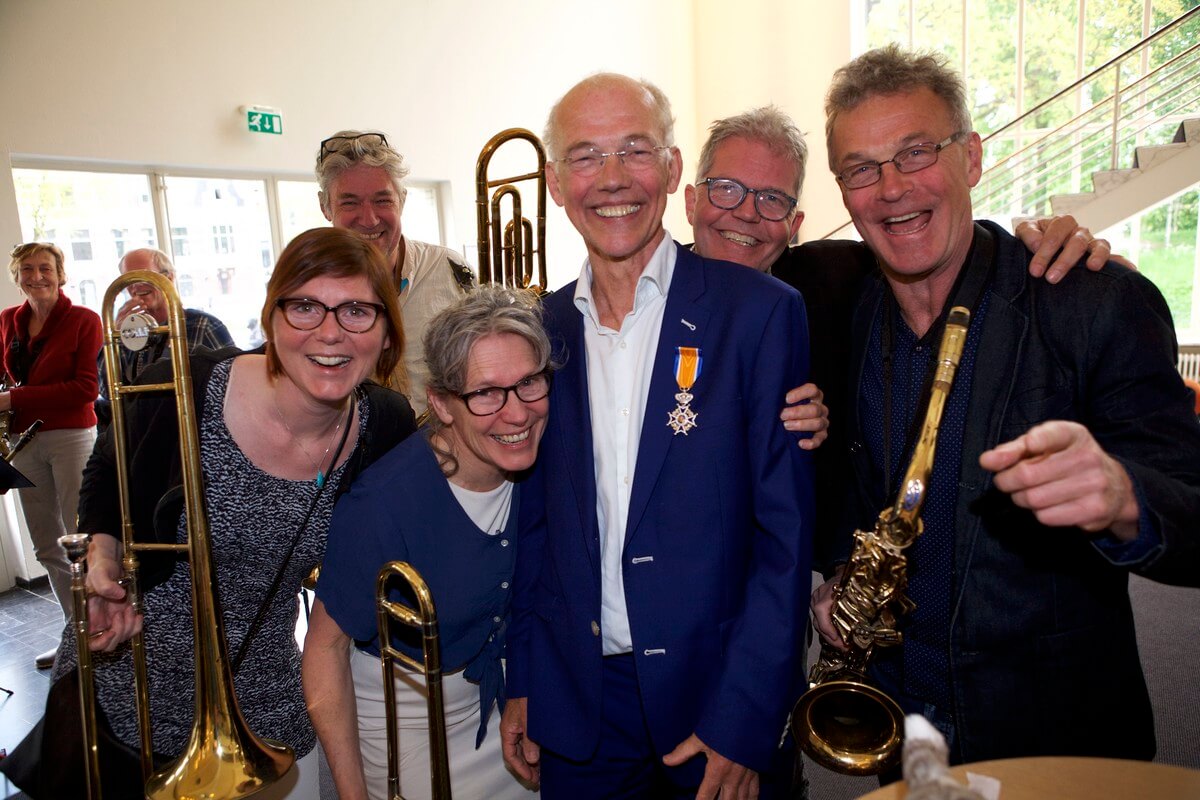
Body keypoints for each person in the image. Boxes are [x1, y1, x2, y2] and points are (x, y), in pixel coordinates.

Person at [810, 45, 1200, 768]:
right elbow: (854, 485)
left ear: (974, 158)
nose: (891, 188)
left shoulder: (1095, 301)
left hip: (1054, 734)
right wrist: (840, 570)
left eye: (916, 152)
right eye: (861, 168)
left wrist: (1124, 498)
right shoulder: (844, 310)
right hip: (905, 726)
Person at [501, 73, 814, 800]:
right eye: (585, 156)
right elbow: (535, 525)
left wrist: (744, 718)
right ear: (555, 182)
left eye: (635, 151)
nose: (612, 180)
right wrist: (527, 677)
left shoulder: (761, 315)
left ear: (673, 171)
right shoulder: (538, 330)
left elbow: (783, 544)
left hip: (714, 698)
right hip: (578, 706)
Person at [38, 227, 417, 800]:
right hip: (127, 687)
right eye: (306, 306)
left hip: (262, 700)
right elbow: (106, 469)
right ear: (272, 317)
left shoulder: (386, 426)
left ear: (387, 330)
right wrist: (103, 556)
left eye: (358, 310)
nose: (331, 331)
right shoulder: (189, 382)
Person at [683, 106, 1127, 570]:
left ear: (794, 226)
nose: (747, 214)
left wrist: (1072, 257)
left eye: (773, 199)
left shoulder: (836, 279)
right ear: (693, 201)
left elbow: (937, 242)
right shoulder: (634, 299)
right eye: (727, 189)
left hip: (776, 590)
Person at [304, 284, 550, 800]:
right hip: (409, 725)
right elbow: (325, 650)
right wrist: (353, 795)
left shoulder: (546, 459)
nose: (517, 413)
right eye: (484, 393)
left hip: (512, 700)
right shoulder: (382, 505)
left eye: (530, 383)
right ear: (440, 402)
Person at [317, 129, 475, 414]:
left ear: (402, 200)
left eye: (382, 200)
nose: (369, 219)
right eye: (350, 202)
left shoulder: (450, 270)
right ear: (325, 207)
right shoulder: (309, 293)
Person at [0, 242, 102, 669]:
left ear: (61, 275)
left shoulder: (84, 320)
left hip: (71, 436)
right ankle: (74, 633)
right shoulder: (7, 321)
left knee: (86, 540)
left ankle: (103, 630)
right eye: (27, 269)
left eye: (45, 268)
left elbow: (85, 389)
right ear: (16, 275)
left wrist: (15, 399)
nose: (36, 276)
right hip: (24, 440)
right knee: (46, 544)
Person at [95, 247, 235, 427]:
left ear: (169, 278)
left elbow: (232, 389)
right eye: (128, 281)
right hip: (142, 440)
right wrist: (115, 338)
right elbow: (107, 390)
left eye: (144, 276)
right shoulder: (127, 332)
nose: (136, 286)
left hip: (195, 433)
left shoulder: (203, 325)